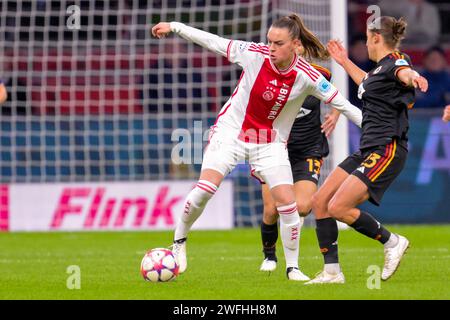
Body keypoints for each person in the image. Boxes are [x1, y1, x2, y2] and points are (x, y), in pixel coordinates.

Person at [151, 14, 363, 280]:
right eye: (269, 41)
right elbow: (213, 42)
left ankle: (293, 268)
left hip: (269, 143)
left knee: (288, 205)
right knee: (204, 191)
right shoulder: (253, 54)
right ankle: (179, 244)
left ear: (294, 44)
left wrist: (376, 127)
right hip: (231, 133)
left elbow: (343, 104)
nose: (271, 48)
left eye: (278, 43)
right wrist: (176, 27)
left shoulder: (307, 75)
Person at [306, 16, 428, 284]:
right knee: (320, 201)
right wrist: (345, 61)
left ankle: (392, 242)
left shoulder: (396, 60)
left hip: (387, 149)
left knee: (339, 207)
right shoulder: (378, 71)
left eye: (366, 38)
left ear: (375, 38)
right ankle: (332, 272)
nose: (366, 44)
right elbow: (367, 82)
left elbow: (404, 72)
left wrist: (415, 76)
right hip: (367, 149)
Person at [258, 64, 340, 274]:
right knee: (271, 209)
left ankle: (292, 261)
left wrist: (335, 114)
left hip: (308, 149)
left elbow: (337, 95)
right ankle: (269, 255)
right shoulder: (265, 75)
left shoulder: (320, 74)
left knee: (302, 207)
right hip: (274, 149)